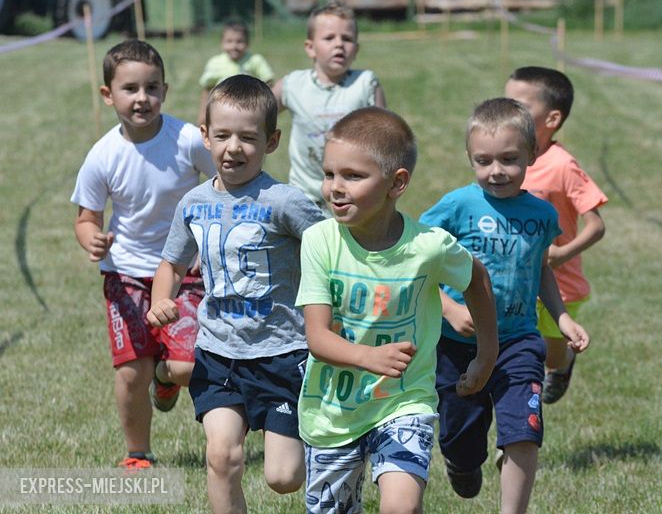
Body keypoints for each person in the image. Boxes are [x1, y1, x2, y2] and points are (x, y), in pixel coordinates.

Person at [296, 106, 499, 513]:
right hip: (333, 413)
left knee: (400, 506)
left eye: (353, 176)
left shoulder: (428, 247)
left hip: (405, 402)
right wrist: (368, 357)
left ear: (397, 183)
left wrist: (487, 354)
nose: (336, 187)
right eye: (329, 174)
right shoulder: (319, 241)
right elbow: (317, 337)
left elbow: (476, 279)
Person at [147, 75, 324, 513]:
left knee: (283, 477)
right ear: (205, 136)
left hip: (283, 353)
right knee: (221, 456)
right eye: (223, 135)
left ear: (271, 141)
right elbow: (172, 264)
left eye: (248, 137)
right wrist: (161, 299)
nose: (233, 147)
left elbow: (330, 249)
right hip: (218, 353)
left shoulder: (284, 201)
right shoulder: (193, 203)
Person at [419, 98, 590, 513]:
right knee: (460, 437)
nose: (496, 170)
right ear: (470, 158)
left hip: (519, 342)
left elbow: (541, 269)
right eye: (484, 160)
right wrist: (449, 309)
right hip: (457, 345)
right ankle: (461, 463)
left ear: (532, 153)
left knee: (524, 432)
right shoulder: (457, 206)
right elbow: (416, 260)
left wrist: (562, 317)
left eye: (509, 159)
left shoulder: (542, 214)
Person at [71, 40, 216, 469]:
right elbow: (86, 218)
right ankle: (138, 452)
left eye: (152, 88)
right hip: (127, 275)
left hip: (185, 272)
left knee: (187, 367)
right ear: (107, 94)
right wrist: (91, 239)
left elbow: (223, 183)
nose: (142, 98)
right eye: (130, 88)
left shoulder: (187, 140)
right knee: (132, 372)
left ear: (165, 91)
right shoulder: (102, 155)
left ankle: (165, 377)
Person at [505, 66, 607, 404]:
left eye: (520, 106)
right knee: (519, 348)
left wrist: (561, 254)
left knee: (552, 353)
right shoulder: (506, 160)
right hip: (517, 278)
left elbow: (596, 225)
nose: (509, 113)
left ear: (552, 119)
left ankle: (563, 363)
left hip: (560, 283)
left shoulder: (563, 166)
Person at [272, 0, 386, 210]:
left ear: (356, 49)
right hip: (304, 197)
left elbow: (385, 137)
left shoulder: (366, 84)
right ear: (310, 47)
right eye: (329, 38)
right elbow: (256, 114)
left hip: (353, 197)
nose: (339, 44)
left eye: (347, 38)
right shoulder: (293, 85)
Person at [197, 19, 275, 126]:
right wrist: (203, 113)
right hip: (221, 112)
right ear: (222, 43)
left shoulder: (255, 61)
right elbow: (207, 89)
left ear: (247, 43)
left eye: (239, 41)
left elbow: (269, 82)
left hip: (249, 112)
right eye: (229, 41)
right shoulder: (215, 63)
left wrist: (264, 108)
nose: (234, 46)